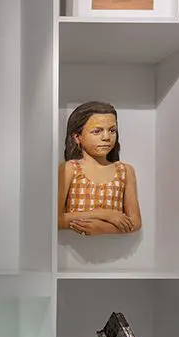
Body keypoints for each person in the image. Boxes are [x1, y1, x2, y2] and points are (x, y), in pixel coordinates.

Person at [58, 101, 142, 236]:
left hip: (114, 248)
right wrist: (104, 214)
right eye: (97, 131)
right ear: (77, 137)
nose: (106, 137)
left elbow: (135, 221)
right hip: (72, 247)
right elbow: (56, 219)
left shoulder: (125, 171)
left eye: (112, 130)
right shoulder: (69, 169)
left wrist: (104, 229)